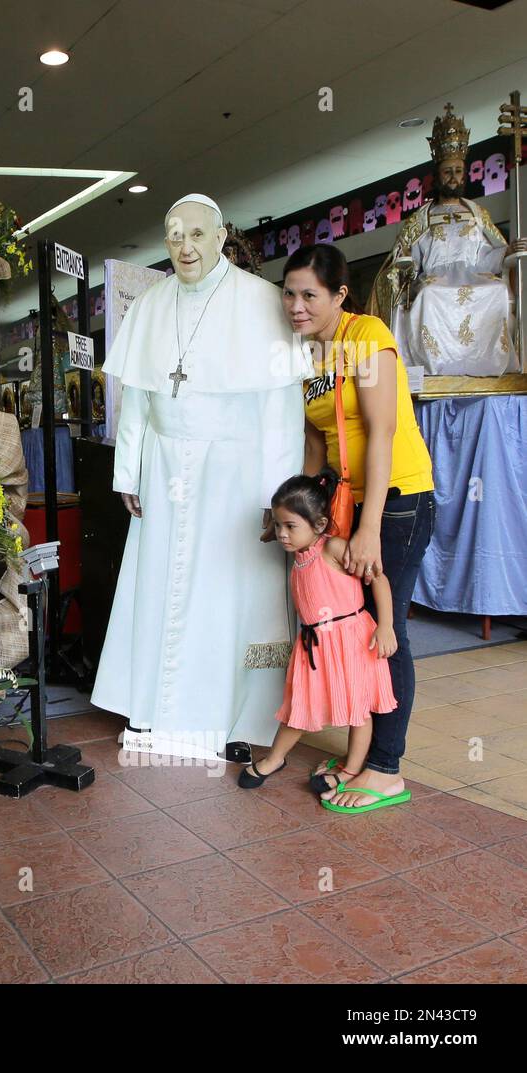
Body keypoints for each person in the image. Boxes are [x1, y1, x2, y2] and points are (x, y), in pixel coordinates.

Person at [91, 193, 309, 763]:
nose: (184, 245)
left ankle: (235, 718)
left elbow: (280, 412)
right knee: (162, 589)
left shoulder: (261, 303)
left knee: (230, 593)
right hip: (164, 470)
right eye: (173, 235)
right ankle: (156, 712)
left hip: (235, 475)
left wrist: (277, 494)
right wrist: (128, 469)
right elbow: (135, 397)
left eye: (195, 234)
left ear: (219, 237)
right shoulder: (151, 303)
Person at [282, 243, 435, 809]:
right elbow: (318, 442)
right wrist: (299, 513)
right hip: (351, 506)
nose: (296, 306)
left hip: (396, 501)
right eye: (289, 293)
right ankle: (362, 755)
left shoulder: (367, 336)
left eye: (309, 295)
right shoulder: (310, 357)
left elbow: (383, 430)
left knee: (384, 631)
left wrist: (368, 528)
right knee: (357, 627)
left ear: (339, 295)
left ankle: (387, 768)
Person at [239, 473, 402, 812]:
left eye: (290, 526)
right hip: (315, 643)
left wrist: (385, 626)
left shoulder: (333, 548)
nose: (282, 533)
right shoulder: (301, 547)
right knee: (300, 706)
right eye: (278, 524)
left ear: (320, 523)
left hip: (351, 641)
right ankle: (276, 758)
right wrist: (279, 528)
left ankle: (352, 770)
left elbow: (379, 579)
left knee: (360, 710)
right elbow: (279, 531)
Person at [367, 104, 525, 376]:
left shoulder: (477, 213)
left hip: (474, 275)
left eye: (459, 171)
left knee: (497, 291)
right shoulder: (422, 217)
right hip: (434, 278)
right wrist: (404, 259)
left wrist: (507, 251)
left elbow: (487, 256)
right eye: (448, 172)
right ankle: (435, 369)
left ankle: (490, 367)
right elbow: (408, 259)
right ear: (437, 175)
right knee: (429, 295)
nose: (454, 177)